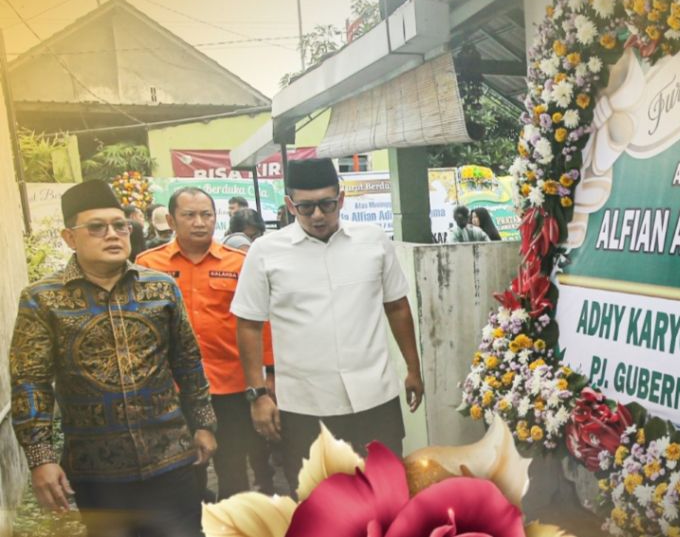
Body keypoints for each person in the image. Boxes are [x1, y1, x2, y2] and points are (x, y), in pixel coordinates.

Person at [10, 180, 216, 537]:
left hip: (171, 457)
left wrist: (203, 423)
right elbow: (31, 381)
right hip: (96, 469)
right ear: (69, 238)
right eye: (96, 227)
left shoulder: (160, 287)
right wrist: (40, 458)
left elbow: (187, 360)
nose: (113, 234)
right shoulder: (43, 300)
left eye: (120, 225)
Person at [231, 158, 425, 493]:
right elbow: (248, 324)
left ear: (342, 199)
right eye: (306, 207)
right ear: (291, 205)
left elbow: (396, 305)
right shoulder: (265, 252)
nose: (318, 215)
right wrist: (257, 394)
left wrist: (413, 368)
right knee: (318, 504)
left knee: (387, 495)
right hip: (306, 407)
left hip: (375, 399)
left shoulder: (373, 241)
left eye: (327, 204)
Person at [136, 188, 276, 501]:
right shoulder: (147, 266)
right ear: (171, 220)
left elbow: (260, 323)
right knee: (185, 470)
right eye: (189, 215)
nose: (199, 222)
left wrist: (268, 375)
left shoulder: (239, 263)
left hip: (232, 387)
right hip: (173, 388)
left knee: (235, 467)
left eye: (207, 215)